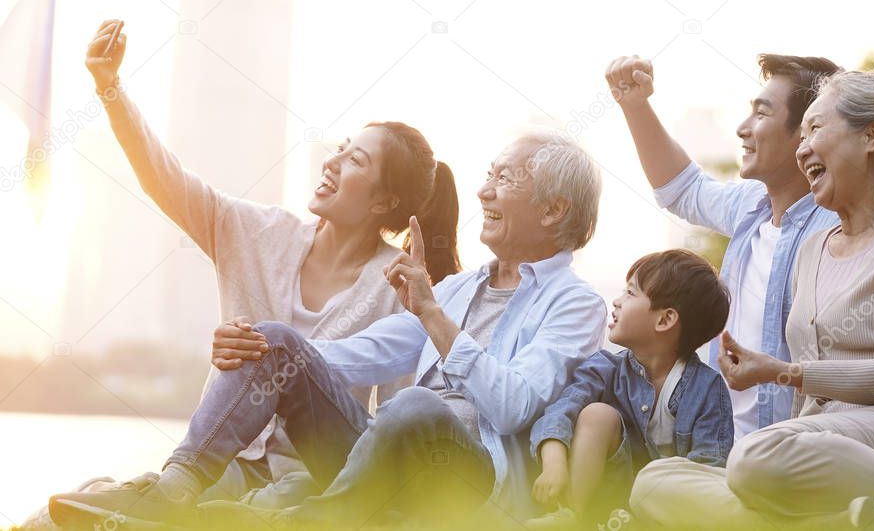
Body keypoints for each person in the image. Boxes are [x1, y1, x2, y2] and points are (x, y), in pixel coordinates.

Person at [49, 131, 609, 528]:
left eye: (504, 179)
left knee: (416, 405)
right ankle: (172, 492)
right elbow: (365, 353)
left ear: (554, 209)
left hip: (468, 477)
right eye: (487, 176)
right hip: (382, 456)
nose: (485, 192)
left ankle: (297, 522)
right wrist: (263, 354)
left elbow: (513, 406)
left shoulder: (575, 304)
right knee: (279, 341)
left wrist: (433, 315)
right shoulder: (464, 288)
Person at [78, 19, 462, 503]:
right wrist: (109, 87)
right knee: (131, 497)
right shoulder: (258, 234)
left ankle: (177, 494)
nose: (333, 162)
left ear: (384, 202)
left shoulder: (399, 286)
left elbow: (396, 418)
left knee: (265, 487)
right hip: (229, 461)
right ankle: (158, 494)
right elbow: (164, 179)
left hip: (323, 470)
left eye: (355, 161)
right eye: (341, 148)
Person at [629, 70, 874, 528]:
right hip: (827, 448)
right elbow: (809, 411)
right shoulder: (813, 251)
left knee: (757, 458)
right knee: (657, 480)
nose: (801, 148)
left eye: (815, 129)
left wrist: (783, 373)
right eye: (801, 135)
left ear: (872, 134)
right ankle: (847, 520)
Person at [606, 53, 840, 439]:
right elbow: (683, 189)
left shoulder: (835, 227)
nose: (742, 128)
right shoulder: (751, 206)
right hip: (718, 443)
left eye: (762, 114)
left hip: (787, 448)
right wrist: (635, 104)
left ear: (808, 133)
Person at [525, 249, 733, 529]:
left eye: (631, 294)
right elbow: (560, 412)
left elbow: (709, 469)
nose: (617, 301)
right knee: (598, 414)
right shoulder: (604, 369)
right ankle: (572, 516)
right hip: (609, 502)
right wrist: (553, 463)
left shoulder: (707, 388)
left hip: (669, 514)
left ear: (664, 320)